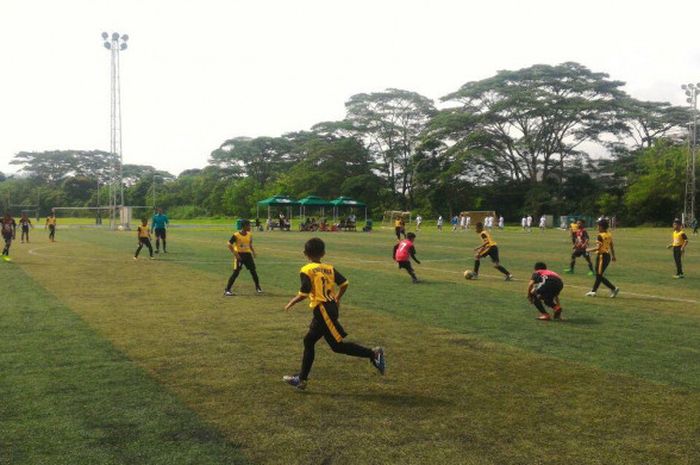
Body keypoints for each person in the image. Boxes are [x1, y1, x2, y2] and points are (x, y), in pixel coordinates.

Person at [282, 237, 385, 390]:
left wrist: (291, 302)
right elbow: (344, 283)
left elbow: (304, 292)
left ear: (305, 253)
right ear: (323, 253)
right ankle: (301, 379)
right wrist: (337, 298)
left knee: (337, 346)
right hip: (328, 308)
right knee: (309, 341)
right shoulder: (329, 268)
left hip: (323, 310)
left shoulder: (306, 269)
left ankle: (373, 353)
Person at [224, 220, 262, 296]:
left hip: (248, 255)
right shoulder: (236, 235)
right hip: (240, 255)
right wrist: (235, 254)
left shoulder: (249, 235)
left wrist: (253, 252)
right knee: (236, 273)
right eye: (248, 225)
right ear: (244, 226)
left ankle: (258, 287)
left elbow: (250, 244)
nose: (250, 227)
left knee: (253, 271)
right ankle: (227, 290)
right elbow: (229, 244)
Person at [585, 218, 620, 298]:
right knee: (598, 275)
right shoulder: (609, 234)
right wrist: (613, 256)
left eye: (598, 226)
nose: (597, 227)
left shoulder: (600, 236)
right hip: (607, 256)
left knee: (599, 275)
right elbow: (611, 245)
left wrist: (588, 250)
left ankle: (613, 288)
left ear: (601, 227)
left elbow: (598, 248)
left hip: (602, 257)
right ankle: (593, 291)